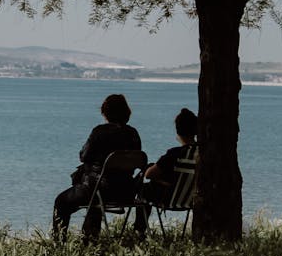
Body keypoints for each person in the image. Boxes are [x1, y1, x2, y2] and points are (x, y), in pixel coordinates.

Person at [52, 93, 142, 242]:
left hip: (98, 189)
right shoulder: (133, 134)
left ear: (105, 112)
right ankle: (89, 236)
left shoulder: (99, 132)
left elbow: (83, 156)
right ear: (126, 112)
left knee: (61, 201)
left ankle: (59, 243)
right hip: (125, 190)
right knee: (94, 197)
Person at [134, 107, 198, 233]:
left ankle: (139, 231)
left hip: (168, 198)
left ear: (178, 131)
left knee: (144, 188)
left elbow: (149, 175)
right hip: (189, 199)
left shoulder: (174, 153)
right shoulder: (202, 153)